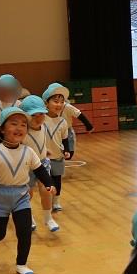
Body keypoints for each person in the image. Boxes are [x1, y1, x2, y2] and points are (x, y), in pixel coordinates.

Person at [0, 107, 55, 274]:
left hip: (22, 196)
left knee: (25, 231)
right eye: (14, 124)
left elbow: (40, 170)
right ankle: (0, 227)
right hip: (0, 198)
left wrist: (49, 184)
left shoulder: (29, 151)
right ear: (2, 129)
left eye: (23, 125)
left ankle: (22, 264)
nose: (19, 128)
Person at [41, 83, 92, 218]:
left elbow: (64, 139)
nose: (59, 104)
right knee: (47, 182)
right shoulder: (41, 119)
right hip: (44, 158)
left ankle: (56, 201)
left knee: (57, 179)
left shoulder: (62, 122)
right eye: (55, 101)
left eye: (62, 102)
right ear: (46, 103)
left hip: (57, 156)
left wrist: (67, 150)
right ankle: (47, 204)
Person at [19, 94, 52, 232]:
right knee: (28, 194)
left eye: (41, 114)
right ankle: (29, 217)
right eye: (33, 115)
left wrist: (45, 150)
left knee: (47, 190)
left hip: (42, 163)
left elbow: (41, 142)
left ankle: (48, 218)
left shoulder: (44, 127)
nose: (38, 118)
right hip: (27, 166)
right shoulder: (22, 132)